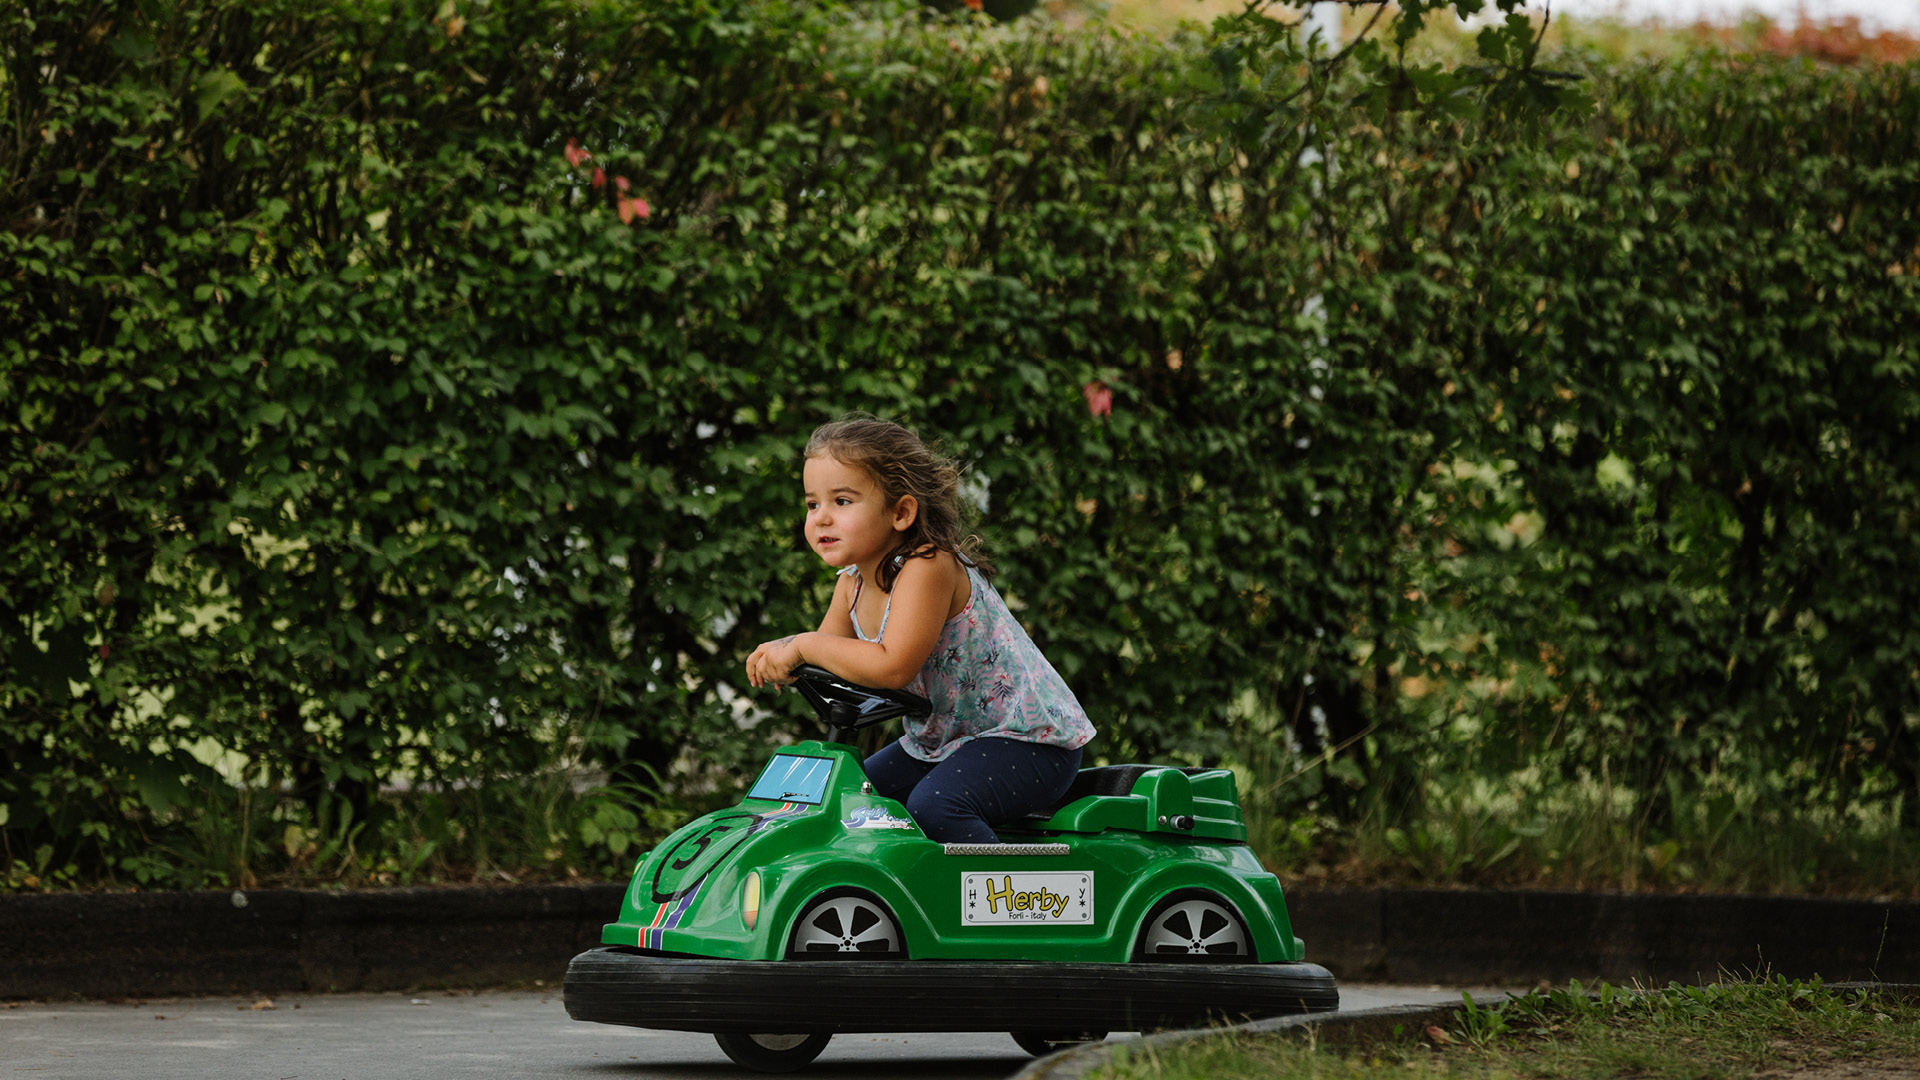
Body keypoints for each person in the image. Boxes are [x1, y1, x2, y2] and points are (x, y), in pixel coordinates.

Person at [745, 416, 1096, 844]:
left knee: (936, 807)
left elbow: (891, 666)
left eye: (841, 501)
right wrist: (788, 656)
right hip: (942, 744)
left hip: (1028, 741)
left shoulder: (928, 565)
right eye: (812, 504)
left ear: (901, 512)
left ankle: (999, 904)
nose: (820, 519)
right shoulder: (850, 585)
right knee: (843, 799)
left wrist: (801, 645)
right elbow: (835, 666)